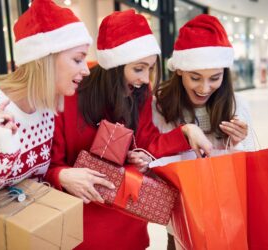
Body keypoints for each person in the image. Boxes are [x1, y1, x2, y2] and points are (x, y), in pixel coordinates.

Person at [45, 10, 212, 250]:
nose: (145, 79)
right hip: (81, 224)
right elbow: (49, 166)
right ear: (114, 64)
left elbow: (147, 140)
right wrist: (62, 175)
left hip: (127, 214)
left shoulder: (139, 94)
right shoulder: (69, 95)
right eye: (138, 69)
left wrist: (186, 132)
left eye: (150, 69)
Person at [0, 0, 92, 248]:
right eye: (78, 59)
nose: (86, 70)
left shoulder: (46, 112)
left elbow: (31, 186)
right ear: (44, 59)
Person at [152, 14, 255, 249]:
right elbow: (152, 154)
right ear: (179, 70)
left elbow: (248, 163)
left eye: (215, 78)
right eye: (195, 77)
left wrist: (239, 141)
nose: (204, 88)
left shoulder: (236, 103)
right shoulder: (159, 104)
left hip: (227, 211)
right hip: (181, 214)